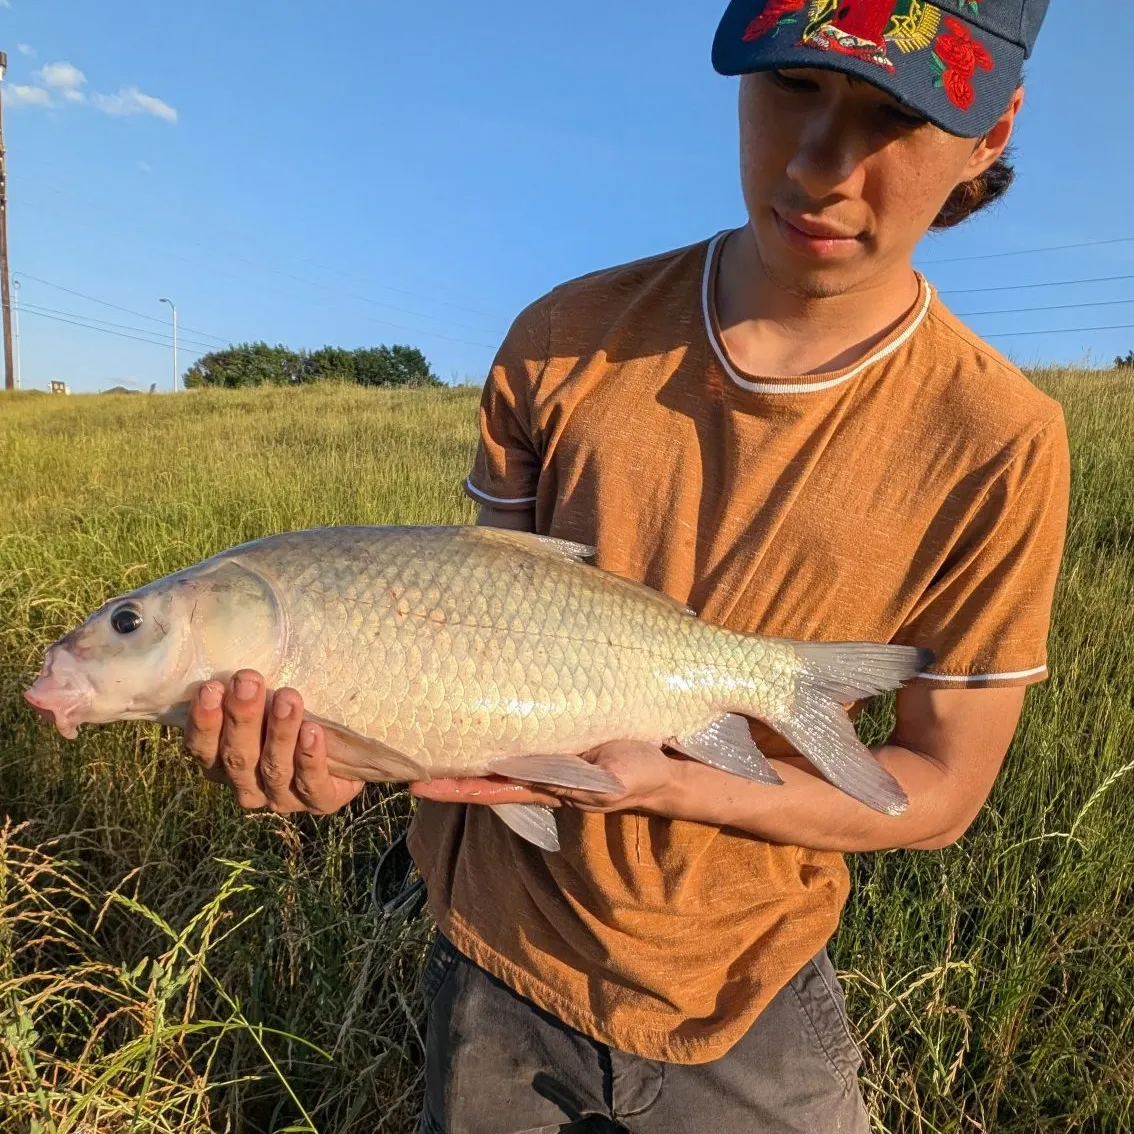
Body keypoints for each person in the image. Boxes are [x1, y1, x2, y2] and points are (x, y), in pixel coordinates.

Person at [185, 0, 1069, 1129]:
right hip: (494, 962)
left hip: (748, 990)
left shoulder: (1001, 441)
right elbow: (461, 635)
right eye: (791, 85)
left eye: (894, 115)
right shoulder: (562, 337)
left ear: (991, 133)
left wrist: (684, 782)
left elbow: (939, 793)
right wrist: (332, 758)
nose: (820, 166)